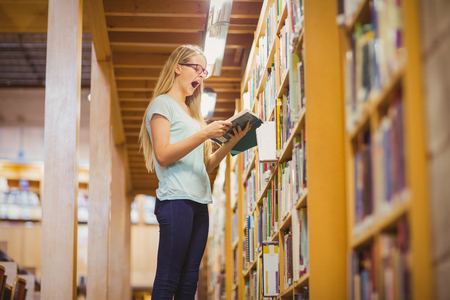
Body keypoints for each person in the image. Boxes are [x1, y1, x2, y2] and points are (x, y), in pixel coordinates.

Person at [139, 44, 251, 299]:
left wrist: (232, 141)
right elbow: (163, 154)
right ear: (178, 68)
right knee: (169, 278)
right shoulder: (162, 104)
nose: (201, 75)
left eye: (204, 71)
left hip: (200, 203)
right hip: (175, 200)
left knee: (190, 282)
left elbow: (207, 165)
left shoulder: (193, 115)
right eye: (196, 68)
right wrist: (205, 133)